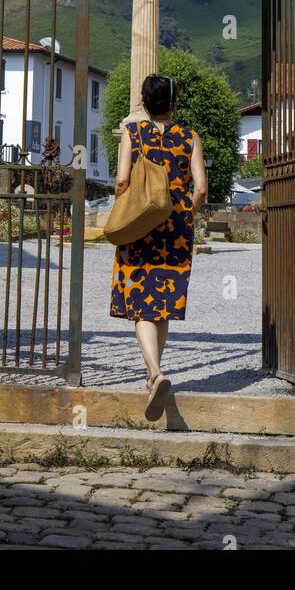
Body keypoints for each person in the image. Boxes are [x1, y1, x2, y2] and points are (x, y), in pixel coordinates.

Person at [109, 74, 207, 420]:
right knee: (162, 302)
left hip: (142, 228)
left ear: (144, 102)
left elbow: (122, 180)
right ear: (173, 102)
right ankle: (155, 374)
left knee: (140, 301)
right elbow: (201, 189)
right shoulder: (190, 137)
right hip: (177, 230)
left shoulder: (133, 134)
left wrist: (126, 211)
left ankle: (154, 372)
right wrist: (185, 216)